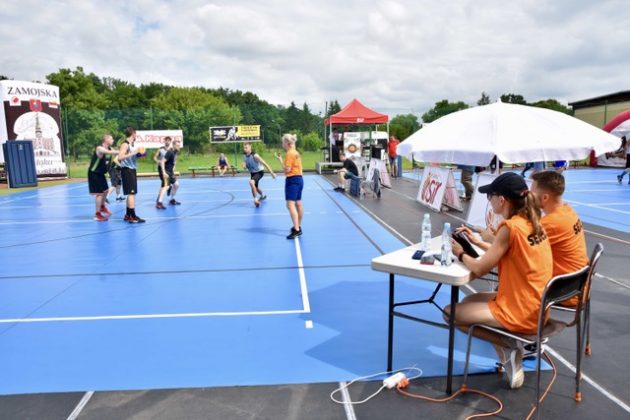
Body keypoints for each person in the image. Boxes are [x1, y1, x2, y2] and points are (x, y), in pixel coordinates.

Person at [447, 172, 552, 389]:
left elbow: (480, 268)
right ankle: (509, 348)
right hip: (539, 306)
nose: (489, 201)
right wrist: (476, 241)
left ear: (502, 200)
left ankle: (509, 345)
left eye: (490, 196)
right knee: (468, 302)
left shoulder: (510, 227)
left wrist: (459, 252)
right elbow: (505, 251)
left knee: (450, 313)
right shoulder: (531, 222)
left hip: (521, 310)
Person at [531, 171, 588, 306]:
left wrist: (490, 239)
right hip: (578, 284)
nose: (529, 196)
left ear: (545, 198)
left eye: (532, 193)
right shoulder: (567, 210)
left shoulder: (550, 223)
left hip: (563, 289)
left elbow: (519, 246)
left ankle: (519, 323)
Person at [275, 133, 304, 239]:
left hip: (292, 180)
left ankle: (296, 229)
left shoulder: (289, 153)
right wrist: (281, 160)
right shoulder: (295, 152)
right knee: (298, 204)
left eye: (283, 142)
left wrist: (280, 163)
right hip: (299, 179)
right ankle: (298, 226)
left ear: (287, 143)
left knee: (290, 205)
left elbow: (287, 169)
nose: (282, 144)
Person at [88, 134, 119, 221]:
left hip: (101, 173)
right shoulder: (99, 148)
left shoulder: (110, 148)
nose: (113, 140)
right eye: (111, 139)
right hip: (94, 173)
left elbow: (115, 153)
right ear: (106, 140)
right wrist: (120, 151)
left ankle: (102, 207)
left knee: (106, 191)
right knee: (100, 193)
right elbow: (109, 153)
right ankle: (97, 214)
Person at [117, 127, 145, 223]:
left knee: (131, 193)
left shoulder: (131, 144)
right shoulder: (125, 144)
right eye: (136, 134)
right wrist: (134, 152)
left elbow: (130, 156)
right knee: (131, 193)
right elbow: (120, 157)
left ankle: (128, 214)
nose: (136, 136)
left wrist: (139, 155)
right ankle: (132, 216)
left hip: (131, 169)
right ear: (133, 134)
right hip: (127, 170)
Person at [242, 142, 276, 207]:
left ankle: (255, 200)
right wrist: (244, 166)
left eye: (246, 147)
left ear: (250, 147)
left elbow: (265, 163)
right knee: (255, 187)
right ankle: (263, 195)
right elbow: (244, 164)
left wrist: (272, 173)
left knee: (251, 183)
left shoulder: (255, 156)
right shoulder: (244, 155)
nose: (245, 149)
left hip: (259, 172)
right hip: (252, 173)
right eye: (244, 148)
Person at [154, 136, 172, 209]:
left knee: (164, 185)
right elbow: (155, 157)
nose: (167, 142)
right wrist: (158, 161)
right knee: (164, 184)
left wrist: (173, 167)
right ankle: (159, 202)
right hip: (162, 169)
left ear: (170, 142)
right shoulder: (161, 149)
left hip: (169, 169)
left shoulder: (171, 150)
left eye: (169, 140)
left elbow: (174, 159)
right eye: (166, 140)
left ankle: (159, 199)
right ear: (164, 141)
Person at [164, 138, 182, 205]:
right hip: (166, 172)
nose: (179, 147)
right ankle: (159, 202)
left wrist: (173, 169)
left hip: (171, 172)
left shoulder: (175, 153)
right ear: (173, 145)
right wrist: (164, 172)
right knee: (165, 188)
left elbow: (174, 162)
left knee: (176, 185)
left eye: (179, 145)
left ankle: (171, 199)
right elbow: (163, 162)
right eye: (177, 145)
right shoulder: (170, 152)